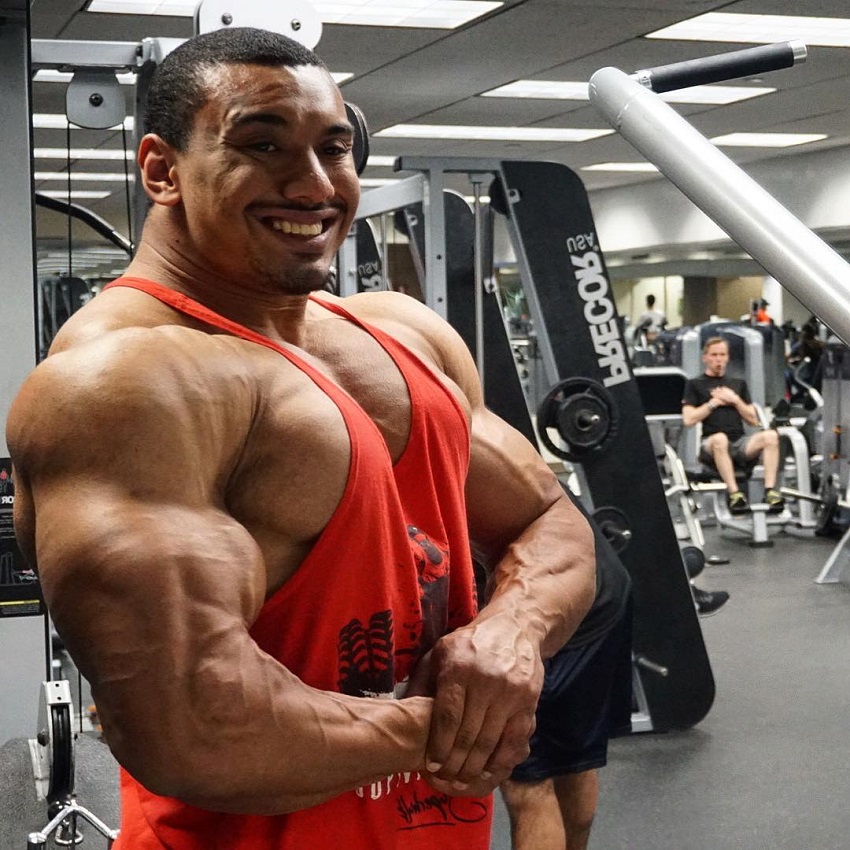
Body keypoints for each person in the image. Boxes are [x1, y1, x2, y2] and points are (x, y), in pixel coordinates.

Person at [5, 28, 598, 850]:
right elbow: (198, 728)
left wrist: (510, 634)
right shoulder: (124, 386)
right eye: (262, 144)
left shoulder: (404, 334)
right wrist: (459, 725)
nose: (315, 183)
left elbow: (552, 521)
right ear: (160, 170)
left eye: (336, 148)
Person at [499, 489, 632, 850]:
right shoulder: (492, 439)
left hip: (551, 607)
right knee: (573, 761)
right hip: (602, 586)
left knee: (526, 781)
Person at [682, 337, 785, 515]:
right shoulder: (694, 384)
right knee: (720, 439)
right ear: (705, 358)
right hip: (711, 444)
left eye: (722, 355)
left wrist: (734, 400)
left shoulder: (738, 384)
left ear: (728, 358)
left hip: (739, 442)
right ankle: (734, 494)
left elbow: (753, 420)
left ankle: (770, 492)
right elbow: (689, 420)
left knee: (771, 436)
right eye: (714, 355)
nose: (718, 359)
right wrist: (714, 403)